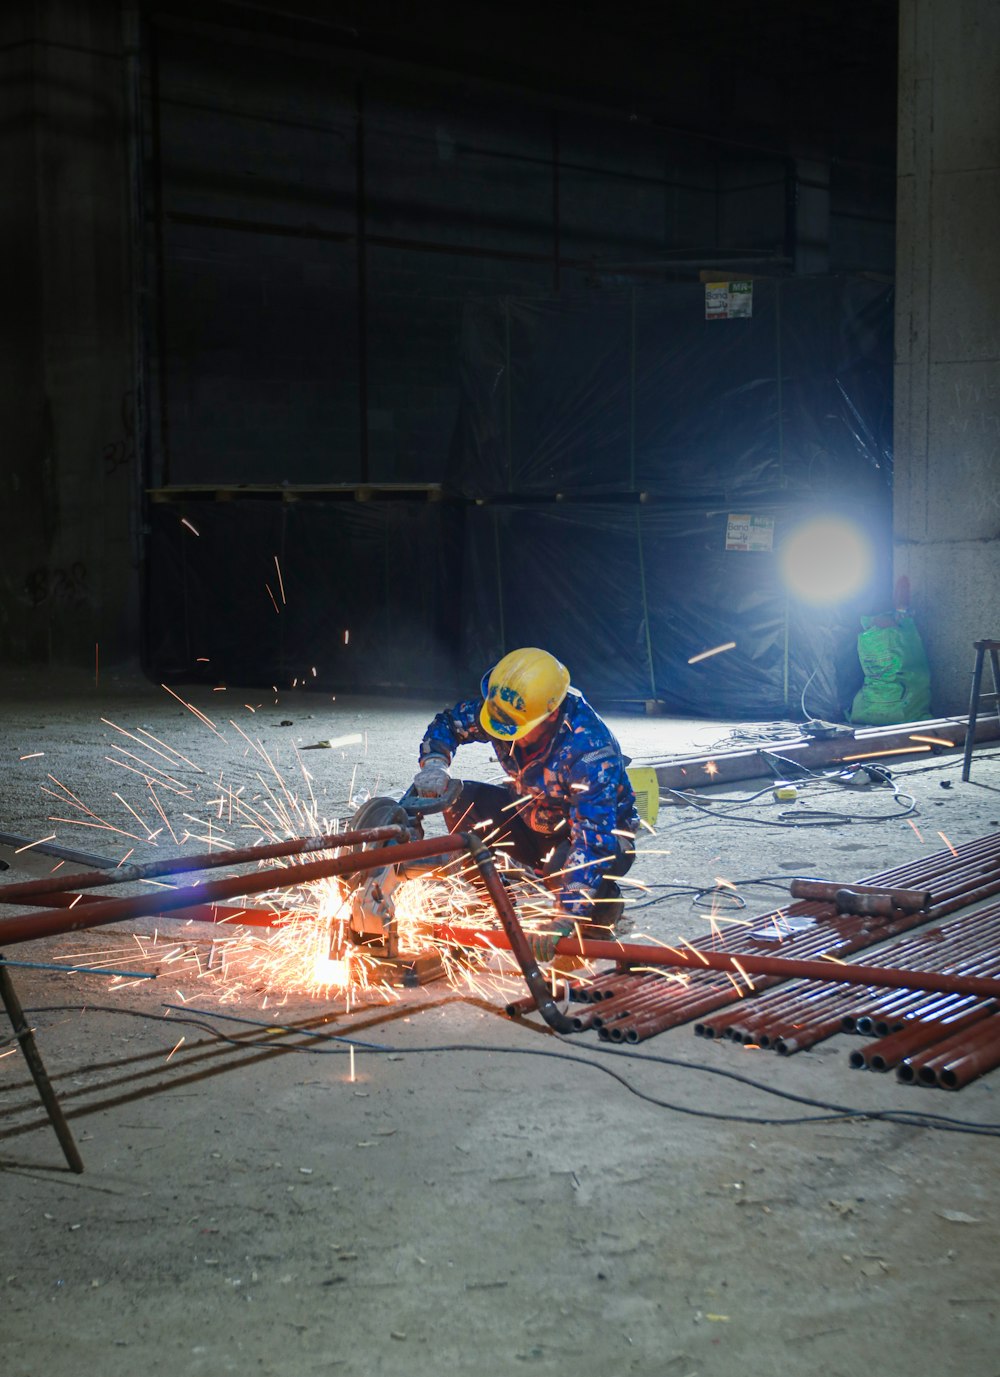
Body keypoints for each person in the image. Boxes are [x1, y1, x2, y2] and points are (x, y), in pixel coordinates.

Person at [412, 647, 639, 948]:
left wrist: (565, 915)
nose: (505, 736)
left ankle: (600, 912)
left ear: (552, 715)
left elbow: (593, 841)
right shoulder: (505, 709)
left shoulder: (589, 750)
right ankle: (495, 901)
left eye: (516, 730)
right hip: (532, 814)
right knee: (461, 802)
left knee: (562, 870)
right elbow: (450, 723)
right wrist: (435, 761)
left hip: (595, 836)